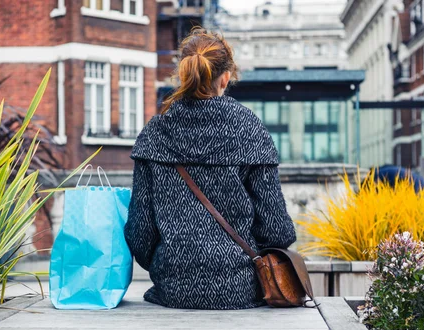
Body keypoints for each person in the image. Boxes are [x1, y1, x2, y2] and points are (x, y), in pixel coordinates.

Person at [124, 28, 296, 310]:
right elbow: (278, 231)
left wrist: (172, 265)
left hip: (172, 290)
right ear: (225, 77)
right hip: (242, 289)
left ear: (183, 75)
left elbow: (139, 233)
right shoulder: (249, 128)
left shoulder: (155, 132)